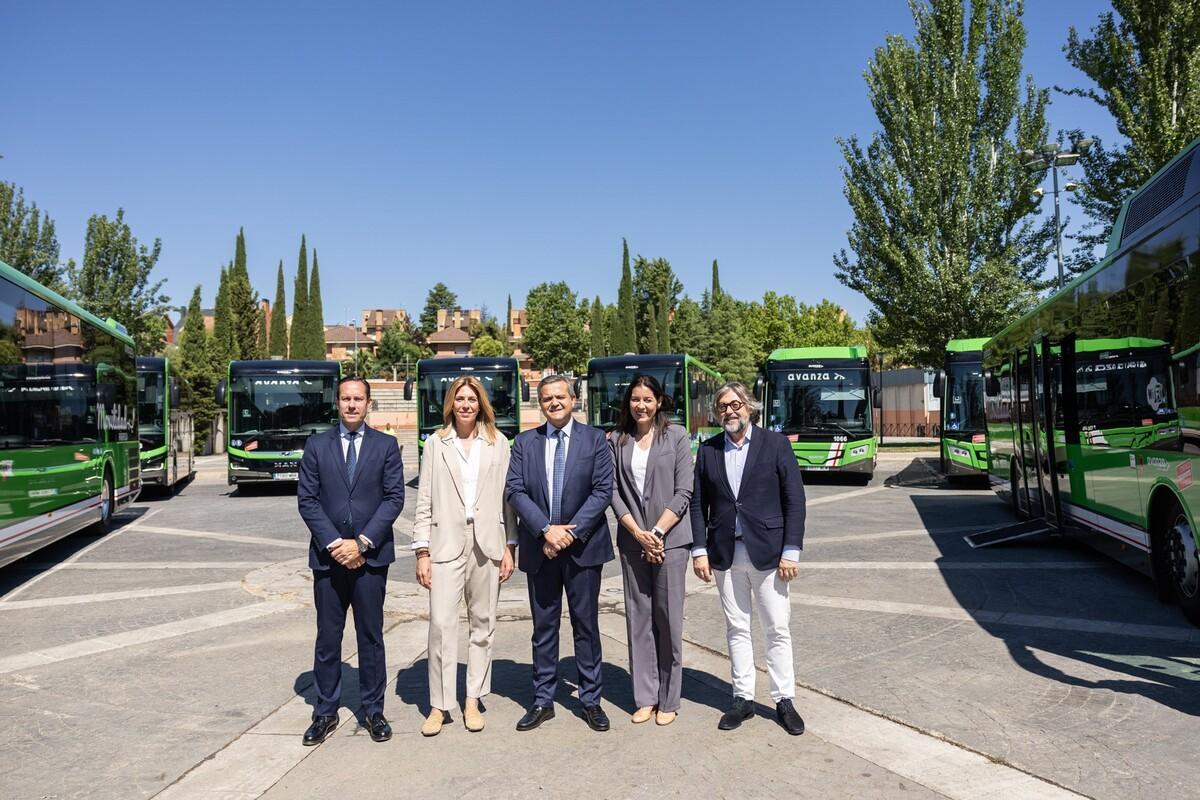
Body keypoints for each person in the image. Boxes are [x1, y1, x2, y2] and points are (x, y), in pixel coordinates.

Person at [690, 381, 806, 736]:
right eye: (723, 406)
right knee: (737, 629)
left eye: (735, 404)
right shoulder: (708, 450)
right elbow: (697, 504)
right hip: (725, 554)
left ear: (749, 407)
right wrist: (699, 550)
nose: (730, 411)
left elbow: (794, 500)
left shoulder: (775, 444)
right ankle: (742, 698)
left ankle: (783, 699)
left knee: (776, 628)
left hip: (770, 554)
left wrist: (791, 550)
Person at [297, 376, 405, 745]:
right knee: (329, 638)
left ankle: (374, 710)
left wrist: (360, 543)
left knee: (371, 637)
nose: (352, 405)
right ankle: (325, 711)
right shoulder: (316, 446)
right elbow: (307, 501)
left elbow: (394, 499)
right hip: (328, 561)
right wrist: (335, 544)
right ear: (337, 402)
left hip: (370, 559)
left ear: (369, 403)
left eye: (358, 399)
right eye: (346, 399)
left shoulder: (387, 446)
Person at [505, 374, 614, 732]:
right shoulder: (524, 442)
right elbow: (516, 490)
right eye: (547, 398)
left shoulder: (596, 440)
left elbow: (602, 491)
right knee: (544, 627)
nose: (554, 403)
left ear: (573, 400)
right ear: (541, 403)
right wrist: (545, 530)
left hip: (583, 549)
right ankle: (542, 700)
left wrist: (570, 533)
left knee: (586, 626)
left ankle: (591, 700)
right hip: (541, 549)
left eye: (560, 396)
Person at [412, 376, 517, 736]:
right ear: (450, 404)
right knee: (441, 624)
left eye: (472, 399)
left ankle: (473, 698)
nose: (466, 405)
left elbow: (508, 501)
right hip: (445, 543)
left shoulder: (498, 443)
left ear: (481, 404)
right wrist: (421, 550)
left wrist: (510, 546)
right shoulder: (436, 444)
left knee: (482, 624)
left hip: (488, 542)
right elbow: (424, 499)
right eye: (460, 399)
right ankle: (440, 705)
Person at [608, 374, 693, 726]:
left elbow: (684, 490)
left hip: (670, 542)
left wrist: (656, 532)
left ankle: (669, 699)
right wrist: (638, 533)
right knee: (638, 619)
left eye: (647, 399)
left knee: (668, 619)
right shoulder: (616, 440)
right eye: (635, 399)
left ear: (659, 401)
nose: (640, 405)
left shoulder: (677, 436)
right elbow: (611, 490)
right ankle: (645, 696)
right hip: (632, 542)